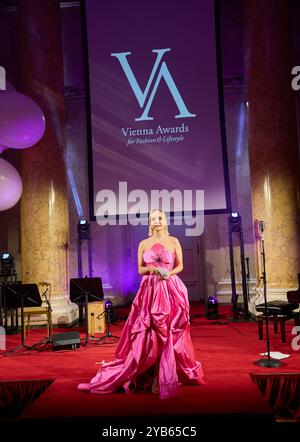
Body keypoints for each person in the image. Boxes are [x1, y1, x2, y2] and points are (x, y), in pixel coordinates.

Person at [78, 209, 204, 399]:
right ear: (149, 222)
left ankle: (164, 376)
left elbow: (180, 266)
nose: (157, 221)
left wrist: (168, 273)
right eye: (153, 218)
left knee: (169, 332)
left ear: (165, 220)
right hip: (150, 290)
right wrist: (153, 269)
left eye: (160, 218)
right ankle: (152, 373)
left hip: (171, 289)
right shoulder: (143, 243)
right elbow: (140, 269)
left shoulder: (174, 241)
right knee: (151, 333)